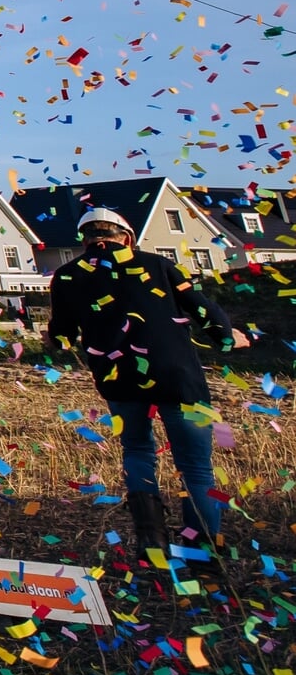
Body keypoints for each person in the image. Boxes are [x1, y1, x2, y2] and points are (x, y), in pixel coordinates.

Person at [46, 207, 248, 548]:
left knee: (137, 449)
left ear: (86, 241)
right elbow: (200, 307)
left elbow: (63, 338)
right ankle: (205, 552)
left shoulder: (67, 275)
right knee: (195, 466)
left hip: (119, 379)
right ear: (126, 238)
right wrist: (228, 337)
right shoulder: (157, 264)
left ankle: (151, 543)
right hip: (177, 376)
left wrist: (54, 339)